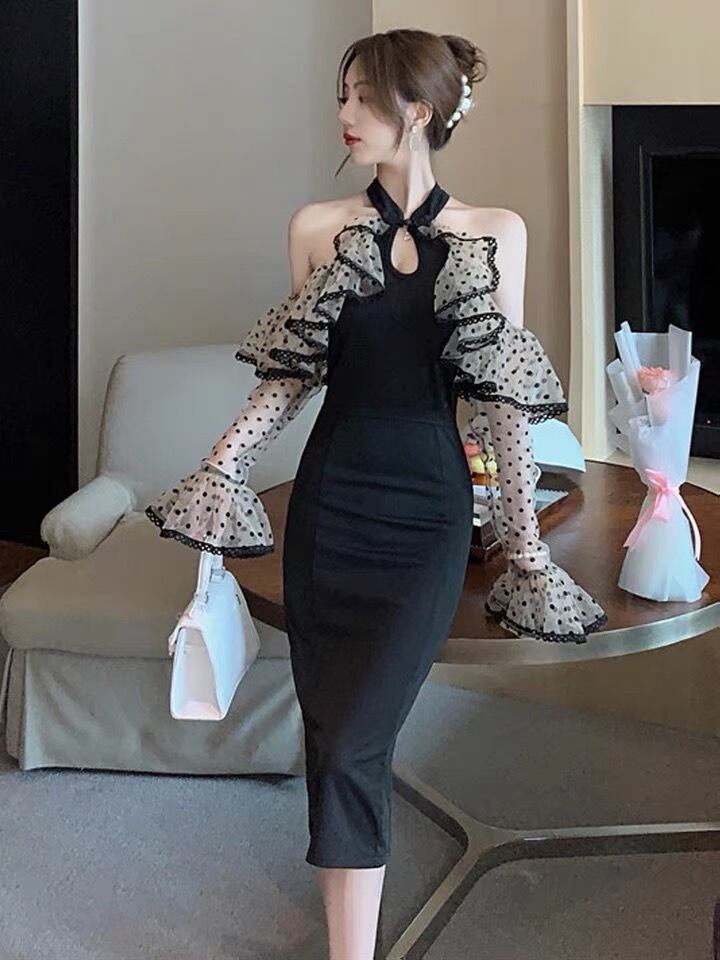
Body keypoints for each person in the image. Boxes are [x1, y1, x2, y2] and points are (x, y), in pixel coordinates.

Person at [145, 28, 608, 960]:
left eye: (363, 97)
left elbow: (502, 406)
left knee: (357, 736)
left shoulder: (497, 233)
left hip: (427, 515)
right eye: (342, 96)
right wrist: (224, 464)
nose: (344, 115)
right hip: (331, 509)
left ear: (420, 110)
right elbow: (292, 378)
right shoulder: (316, 228)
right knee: (336, 743)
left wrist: (524, 547)